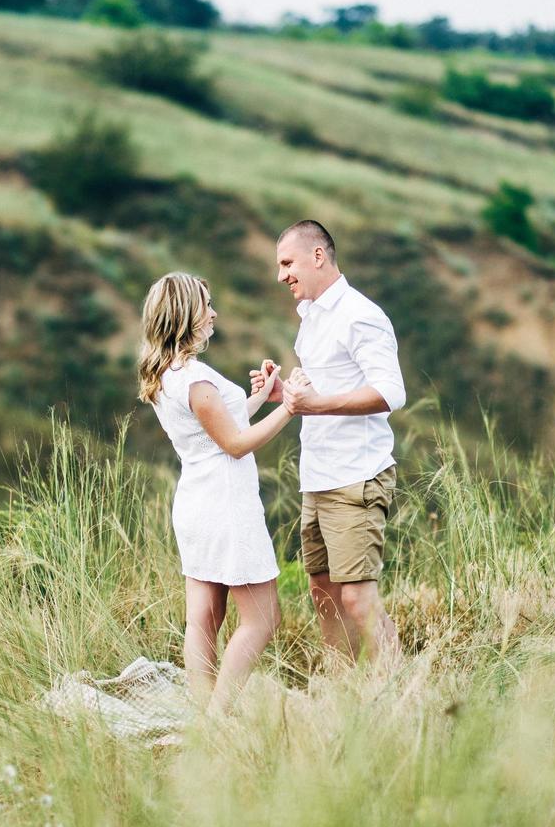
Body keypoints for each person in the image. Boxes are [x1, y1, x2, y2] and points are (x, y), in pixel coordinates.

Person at [250, 219, 406, 663]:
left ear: (318, 256)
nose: (281, 276)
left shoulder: (361, 315)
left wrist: (315, 404)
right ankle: (343, 692)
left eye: (287, 263)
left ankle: (402, 691)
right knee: (323, 592)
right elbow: (321, 390)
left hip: (356, 477)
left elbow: (391, 392)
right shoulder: (313, 317)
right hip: (317, 478)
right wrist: (285, 396)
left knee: (357, 598)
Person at [137, 272, 293, 710]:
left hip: (196, 503)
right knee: (262, 619)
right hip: (225, 505)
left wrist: (260, 400)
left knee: (204, 618)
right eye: (206, 304)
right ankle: (217, 717)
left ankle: (202, 716)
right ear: (187, 314)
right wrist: (291, 407)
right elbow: (235, 444)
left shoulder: (167, 375)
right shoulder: (197, 379)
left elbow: (216, 430)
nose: (213, 313)